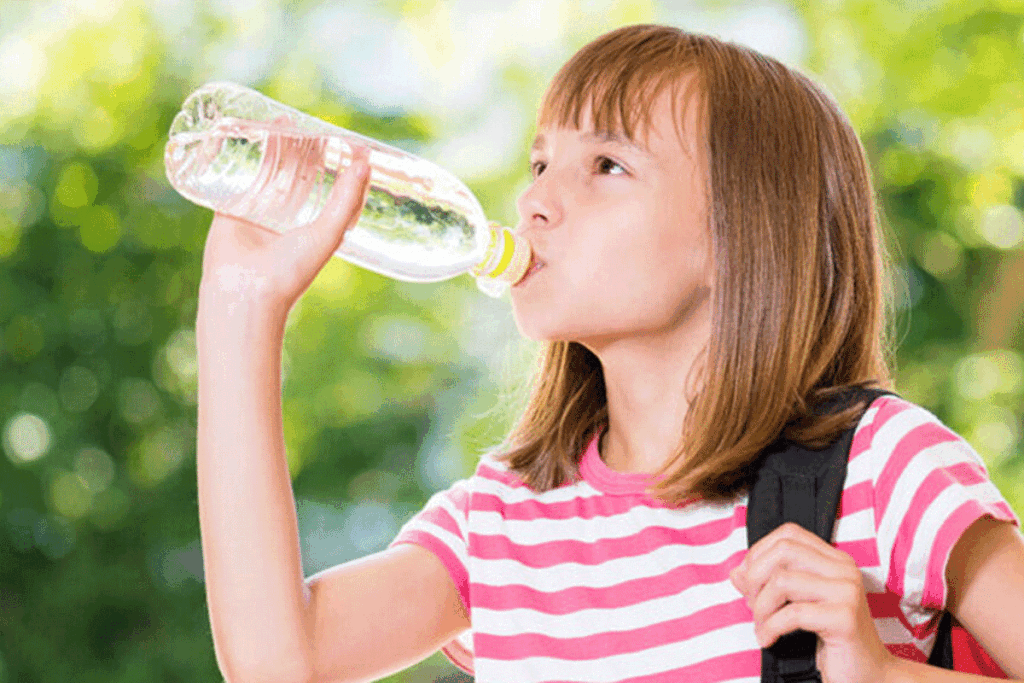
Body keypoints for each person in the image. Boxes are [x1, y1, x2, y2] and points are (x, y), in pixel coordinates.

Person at [194, 23, 1024, 683]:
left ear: (741, 238)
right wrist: (242, 308)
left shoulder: (884, 468)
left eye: (607, 164)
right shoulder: (501, 523)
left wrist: (882, 679)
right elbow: (278, 662)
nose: (537, 199)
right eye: (542, 160)